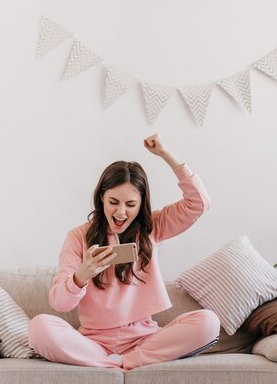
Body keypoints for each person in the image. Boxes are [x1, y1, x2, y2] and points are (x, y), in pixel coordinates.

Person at [28, 134, 219, 371]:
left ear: (141, 204)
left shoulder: (153, 227)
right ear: (101, 198)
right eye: (113, 202)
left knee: (208, 322)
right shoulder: (77, 237)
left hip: (144, 341)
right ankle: (113, 363)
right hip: (93, 344)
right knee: (39, 327)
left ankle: (122, 364)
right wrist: (81, 275)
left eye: (130, 205)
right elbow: (59, 302)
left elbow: (199, 203)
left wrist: (165, 154)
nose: (120, 212)